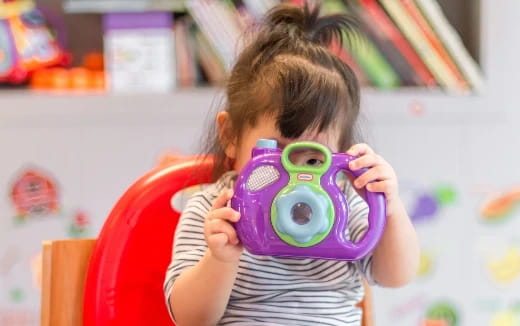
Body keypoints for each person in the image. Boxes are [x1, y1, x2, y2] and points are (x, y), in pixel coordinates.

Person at [164, 2, 419, 325]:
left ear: (341, 154)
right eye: (276, 155)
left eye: (314, 160)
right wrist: (220, 259)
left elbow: (396, 275)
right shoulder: (214, 211)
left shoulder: (340, 204)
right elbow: (189, 319)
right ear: (230, 135)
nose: (295, 179)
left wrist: (390, 208)